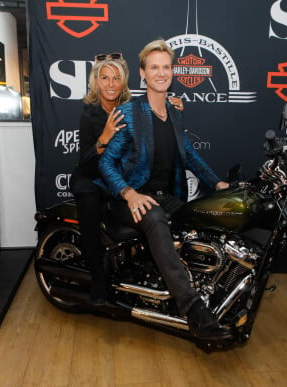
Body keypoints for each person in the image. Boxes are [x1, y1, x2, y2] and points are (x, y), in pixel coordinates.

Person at [98, 39, 230, 339]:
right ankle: (194, 310)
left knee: (200, 217)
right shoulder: (129, 112)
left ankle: (200, 286)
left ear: (173, 72)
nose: (161, 73)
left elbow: (189, 154)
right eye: (154, 67)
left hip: (163, 196)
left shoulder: (174, 111)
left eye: (166, 67)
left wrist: (217, 183)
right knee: (155, 219)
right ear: (143, 74)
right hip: (127, 198)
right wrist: (129, 193)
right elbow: (106, 163)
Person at [70, 52, 184, 305]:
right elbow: (87, 162)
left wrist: (171, 104)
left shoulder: (132, 108)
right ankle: (98, 282)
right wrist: (106, 136)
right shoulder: (89, 115)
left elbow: (156, 110)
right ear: (96, 82)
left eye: (116, 78)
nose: (110, 84)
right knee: (90, 212)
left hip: (117, 176)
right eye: (104, 78)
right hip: (91, 177)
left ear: (124, 82)